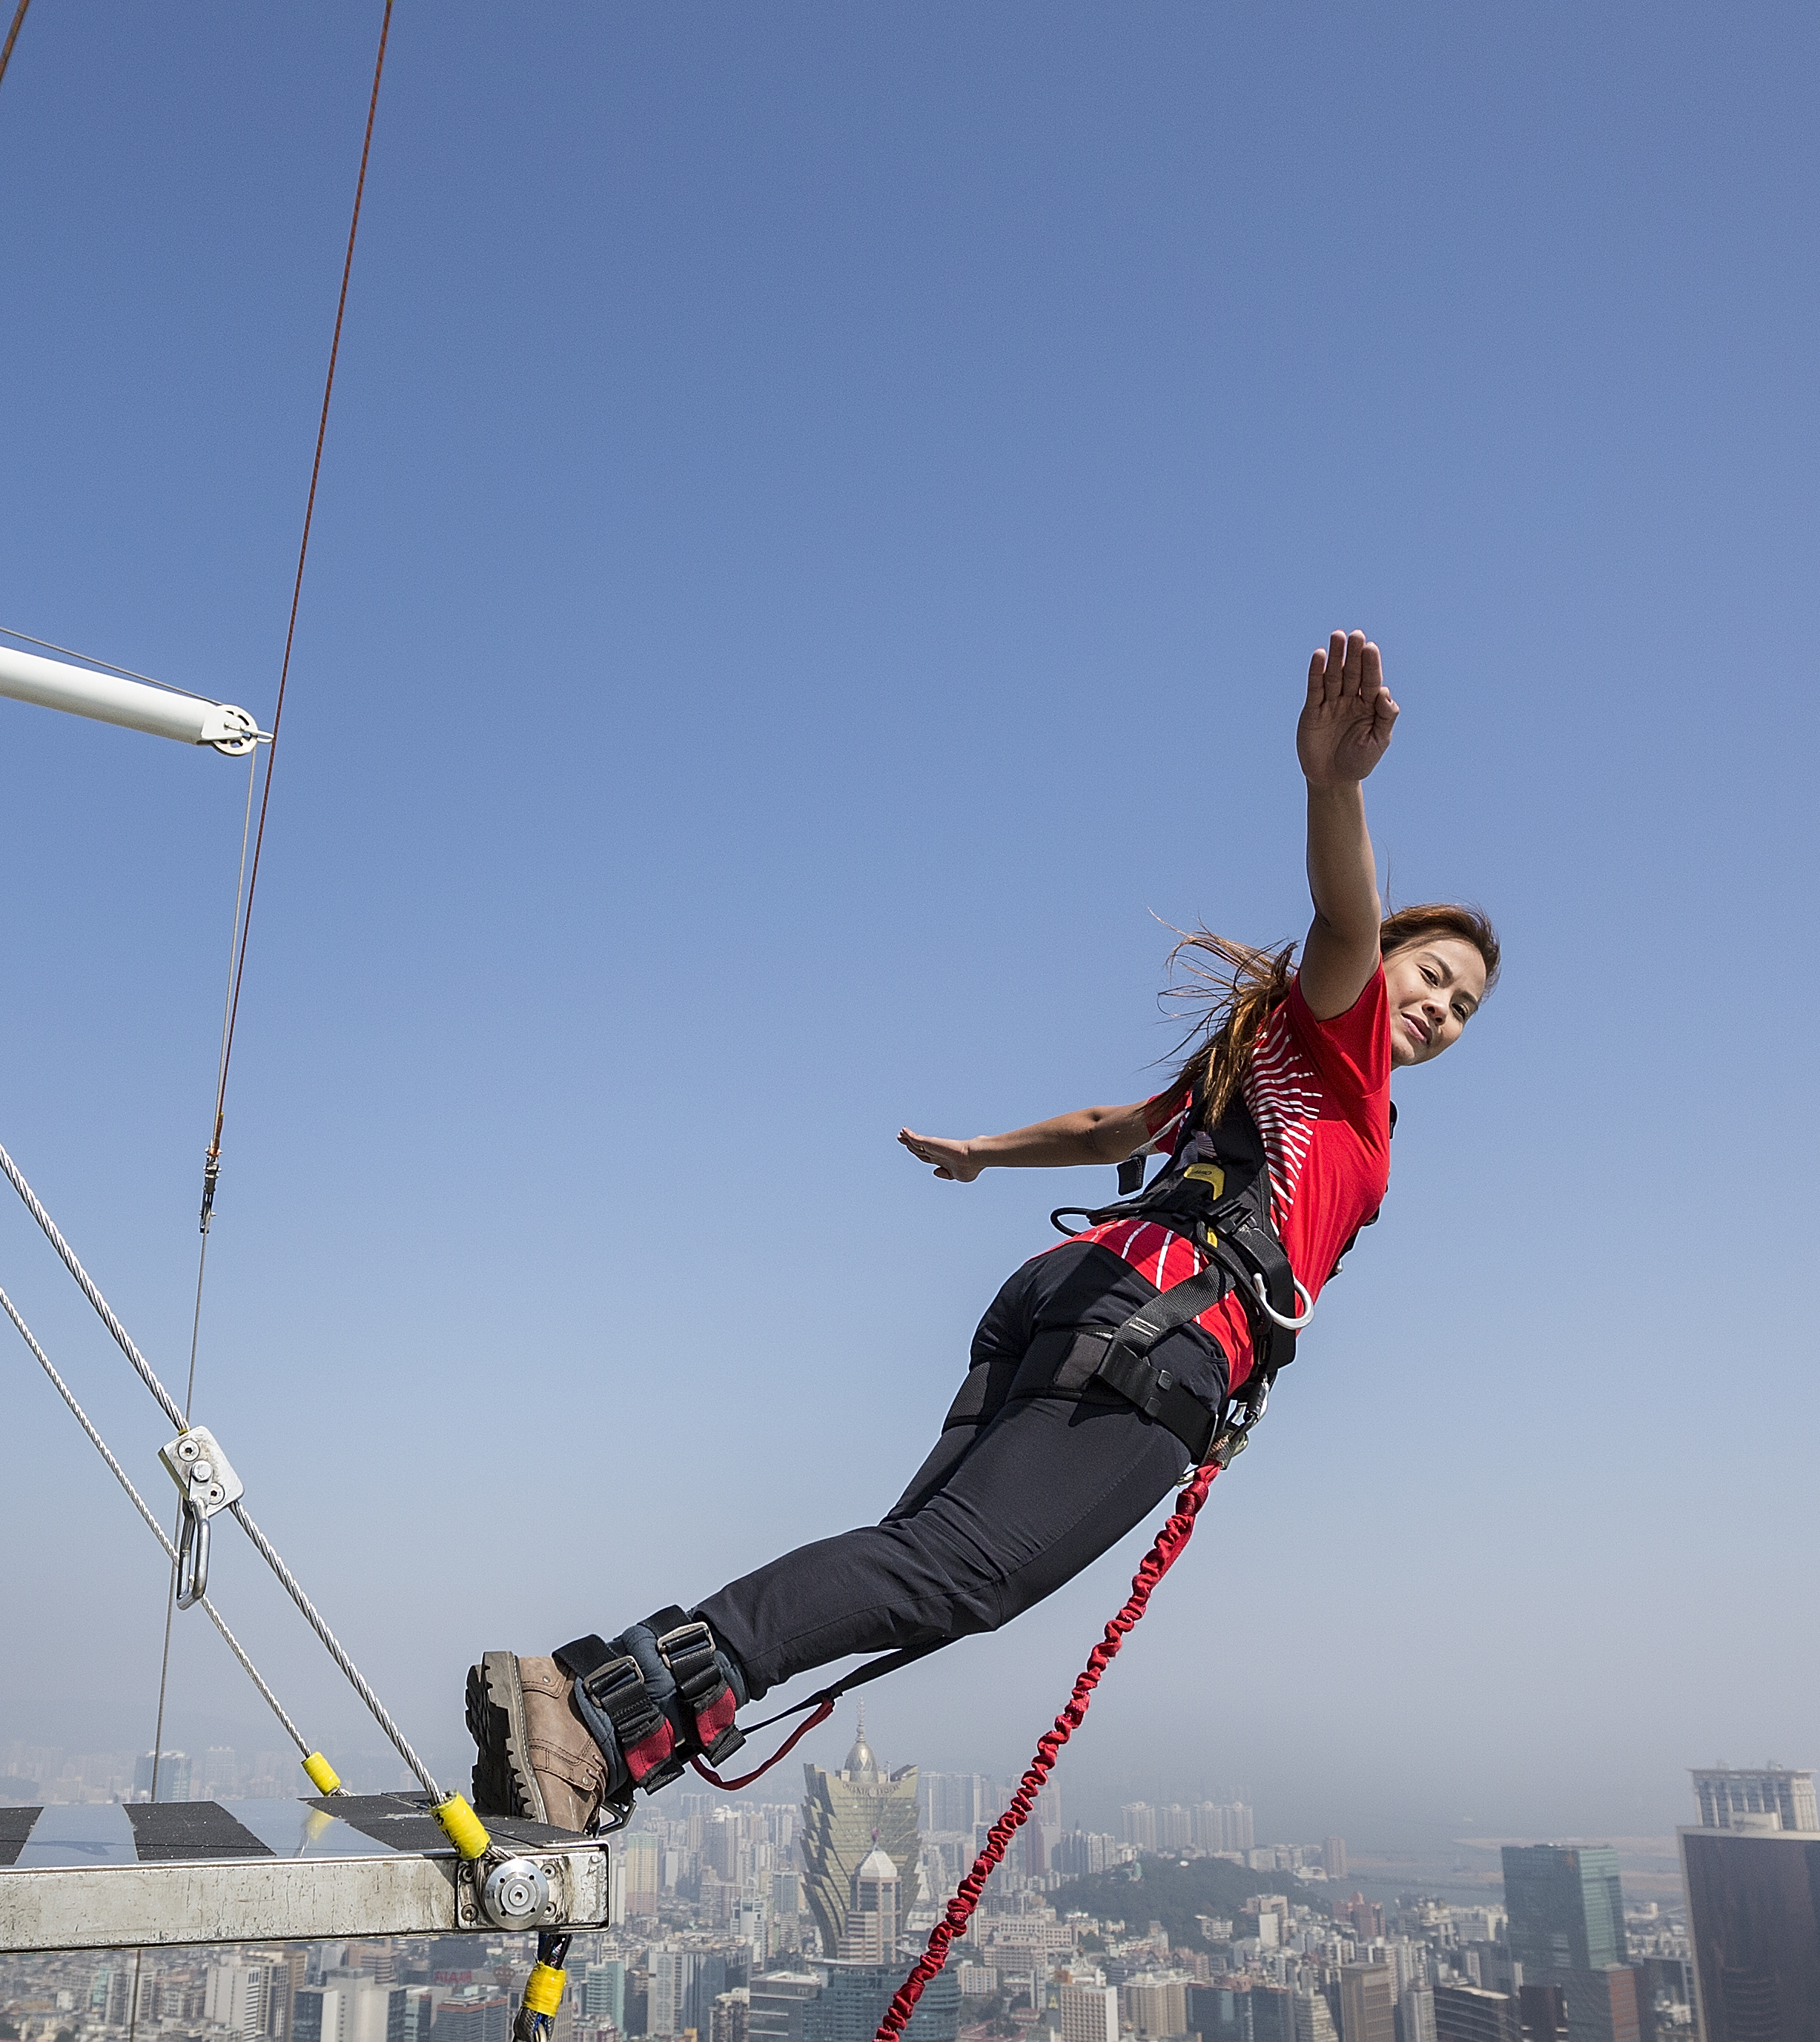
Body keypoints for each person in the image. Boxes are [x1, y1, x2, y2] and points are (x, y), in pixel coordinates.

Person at [468, 630, 1496, 1833]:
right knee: (957, 1572)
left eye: (1463, 1009)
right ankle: (592, 1708)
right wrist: (1337, 787)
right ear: (1386, 964)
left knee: (915, 1557)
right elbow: (1340, 921)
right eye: (1428, 975)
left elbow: (1115, 1125)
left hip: (1075, 1301)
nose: (1435, 1008)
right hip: (1158, 1338)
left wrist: (985, 1152)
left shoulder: (1256, 1060)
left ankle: (616, 1723)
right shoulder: (1344, 1061)